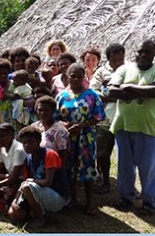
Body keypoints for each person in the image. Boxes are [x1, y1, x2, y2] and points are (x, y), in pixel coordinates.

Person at [108, 39, 155, 216]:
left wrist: (128, 87)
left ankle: (149, 202)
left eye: (147, 52)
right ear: (135, 52)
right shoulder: (124, 69)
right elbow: (112, 91)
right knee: (125, 165)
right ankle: (126, 197)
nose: (143, 55)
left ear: (154, 54)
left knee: (149, 168)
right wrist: (145, 90)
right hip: (123, 126)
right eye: (140, 51)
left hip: (148, 127)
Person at [55, 63, 105, 216]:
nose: (76, 79)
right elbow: (55, 117)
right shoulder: (61, 96)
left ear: (84, 77)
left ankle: (90, 202)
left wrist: (81, 125)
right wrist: (65, 124)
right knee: (68, 167)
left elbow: (99, 116)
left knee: (88, 168)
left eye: (79, 76)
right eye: (72, 76)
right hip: (67, 137)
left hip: (86, 138)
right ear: (67, 77)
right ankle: (72, 199)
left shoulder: (92, 95)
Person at [8, 126, 70, 228]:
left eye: (30, 142)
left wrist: (32, 180)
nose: (27, 145)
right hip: (38, 191)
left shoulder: (50, 155)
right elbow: (24, 182)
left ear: (38, 141)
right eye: (24, 143)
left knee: (27, 186)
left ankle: (40, 219)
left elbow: (48, 182)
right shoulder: (28, 159)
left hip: (58, 196)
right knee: (13, 214)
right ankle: (36, 211)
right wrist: (14, 202)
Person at [89, 43, 125, 194]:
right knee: (103, 153)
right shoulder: (101, 72)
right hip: (105, 120)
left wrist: (114, 94)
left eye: (120, 60)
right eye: (114, 60)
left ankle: (127, 185)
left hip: (125, 119)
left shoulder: (130, 70)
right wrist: (109, 96)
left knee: (126, 155)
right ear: (108, 58)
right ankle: (105, 181)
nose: (117, 63)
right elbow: (93, 91)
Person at [0, 123, 26, 213]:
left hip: (20, 182)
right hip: (10, 179)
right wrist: (5, 176)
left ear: (11, 135)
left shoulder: (18, 150)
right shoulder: (3, 149)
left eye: (3, 136)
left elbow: (15, 178)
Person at [31, 96, 69, 166]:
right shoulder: (33, 127)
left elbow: (63, 156)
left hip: (52, 168)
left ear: (53, 111)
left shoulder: (60, 131)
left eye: (46, 110)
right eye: (40, 110)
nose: (42, 113)